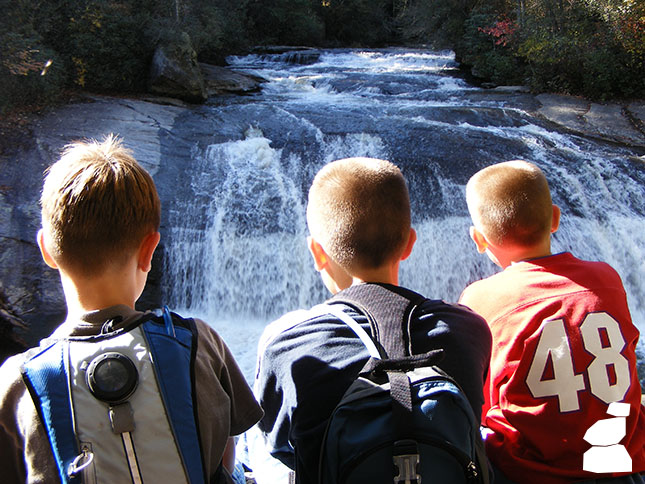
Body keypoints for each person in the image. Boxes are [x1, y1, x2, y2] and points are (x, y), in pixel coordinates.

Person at [0, 135, 263, 483]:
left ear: (46, 249)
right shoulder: (198, 342)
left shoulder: (18, 380)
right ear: (149, 249)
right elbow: (226, 454)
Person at [251, 157, 492, 484]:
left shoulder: (286, 346)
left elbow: (281, 448)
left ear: (317, 252)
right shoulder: (469, 329)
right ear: (409, 243)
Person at [459, 160, 645, 484]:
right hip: (618, 466)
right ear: (555, 219)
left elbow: (477, 392)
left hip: (525, 472)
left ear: (479, 239)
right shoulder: (607, 278)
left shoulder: (480, 298)